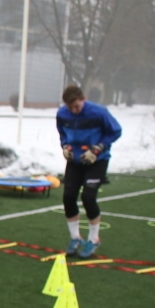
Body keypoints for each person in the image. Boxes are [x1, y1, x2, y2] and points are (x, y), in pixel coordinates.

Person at [55, 84, 121, 257]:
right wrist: (65, 146)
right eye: (71, 108)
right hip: (75, 160)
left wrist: (97, 149)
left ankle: (93, 239)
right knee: (68, 197)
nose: (74, 110)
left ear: (83, 99)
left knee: (88, 197)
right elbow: (62, 132)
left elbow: (116, 131)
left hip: (97, 160)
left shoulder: (99, 112)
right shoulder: (62, 114)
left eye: (77, 106)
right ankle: (75, 238)